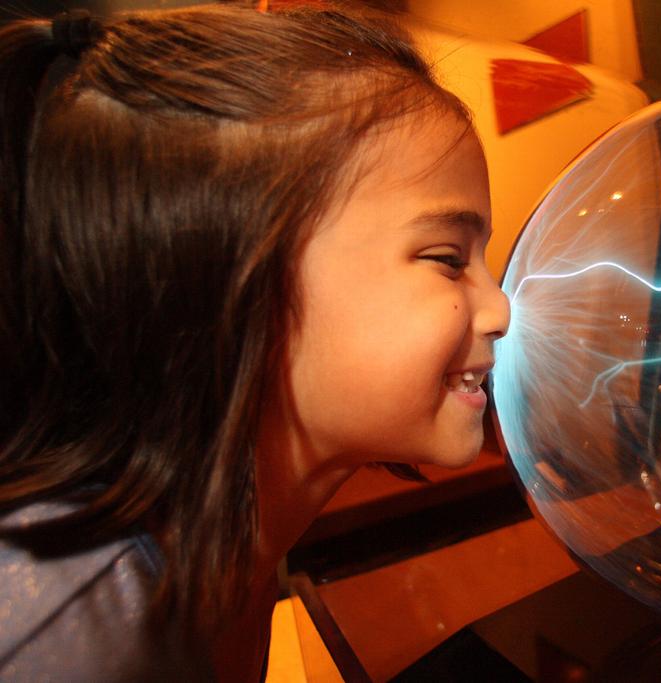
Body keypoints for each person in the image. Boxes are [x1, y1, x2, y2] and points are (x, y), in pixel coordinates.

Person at [0, 2, 510, 680]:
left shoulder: (236, 557)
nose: (501, 309)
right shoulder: (65, 629)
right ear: (231, 280)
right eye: (448, 258)